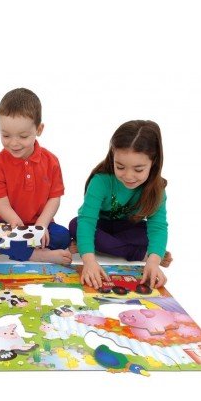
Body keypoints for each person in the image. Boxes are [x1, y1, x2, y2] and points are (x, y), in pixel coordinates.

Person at [69, 119, 172, 289]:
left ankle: (102, 245)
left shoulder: (157, 188)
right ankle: (139, 252)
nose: (129, 176)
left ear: (153, 162)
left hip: (128, 228)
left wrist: (154, 261)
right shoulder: (101, 181)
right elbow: (87, 221)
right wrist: (89, 260)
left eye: (138, 169)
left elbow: (158, 226)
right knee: (76, 225)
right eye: (120, 167)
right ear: (113, 156)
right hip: (101, 226)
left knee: (148, 235)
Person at [0, 88, 72, 264]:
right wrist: (15, 223)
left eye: (23, 136)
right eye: (6, 135)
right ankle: (36, 254)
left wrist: (42, 224)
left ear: (39, 129)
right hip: (6, 223)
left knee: (63, 236)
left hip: (38, 224)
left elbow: (54, 198)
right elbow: (1, 203)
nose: (14, 143)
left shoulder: (51, 161)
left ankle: (5, 248)